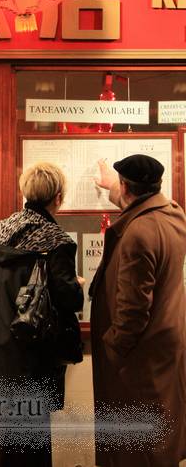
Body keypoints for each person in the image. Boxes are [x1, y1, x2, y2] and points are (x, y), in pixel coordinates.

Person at [0, 162, 84, 467]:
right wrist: (78, 283)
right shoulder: (56, 243)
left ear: (24, 192)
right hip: (30, 353)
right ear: (58, 196)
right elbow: (69, 299)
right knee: (30, 442)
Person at [91, 154, 186, 467]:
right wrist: (111, 188)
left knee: (136, 446)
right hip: (165, 343)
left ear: (125, 186)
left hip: (139, 356)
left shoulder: (137, 234)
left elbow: (133, 309)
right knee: (160, 433)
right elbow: (138, 206)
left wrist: (113, 347)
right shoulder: (172, 215)